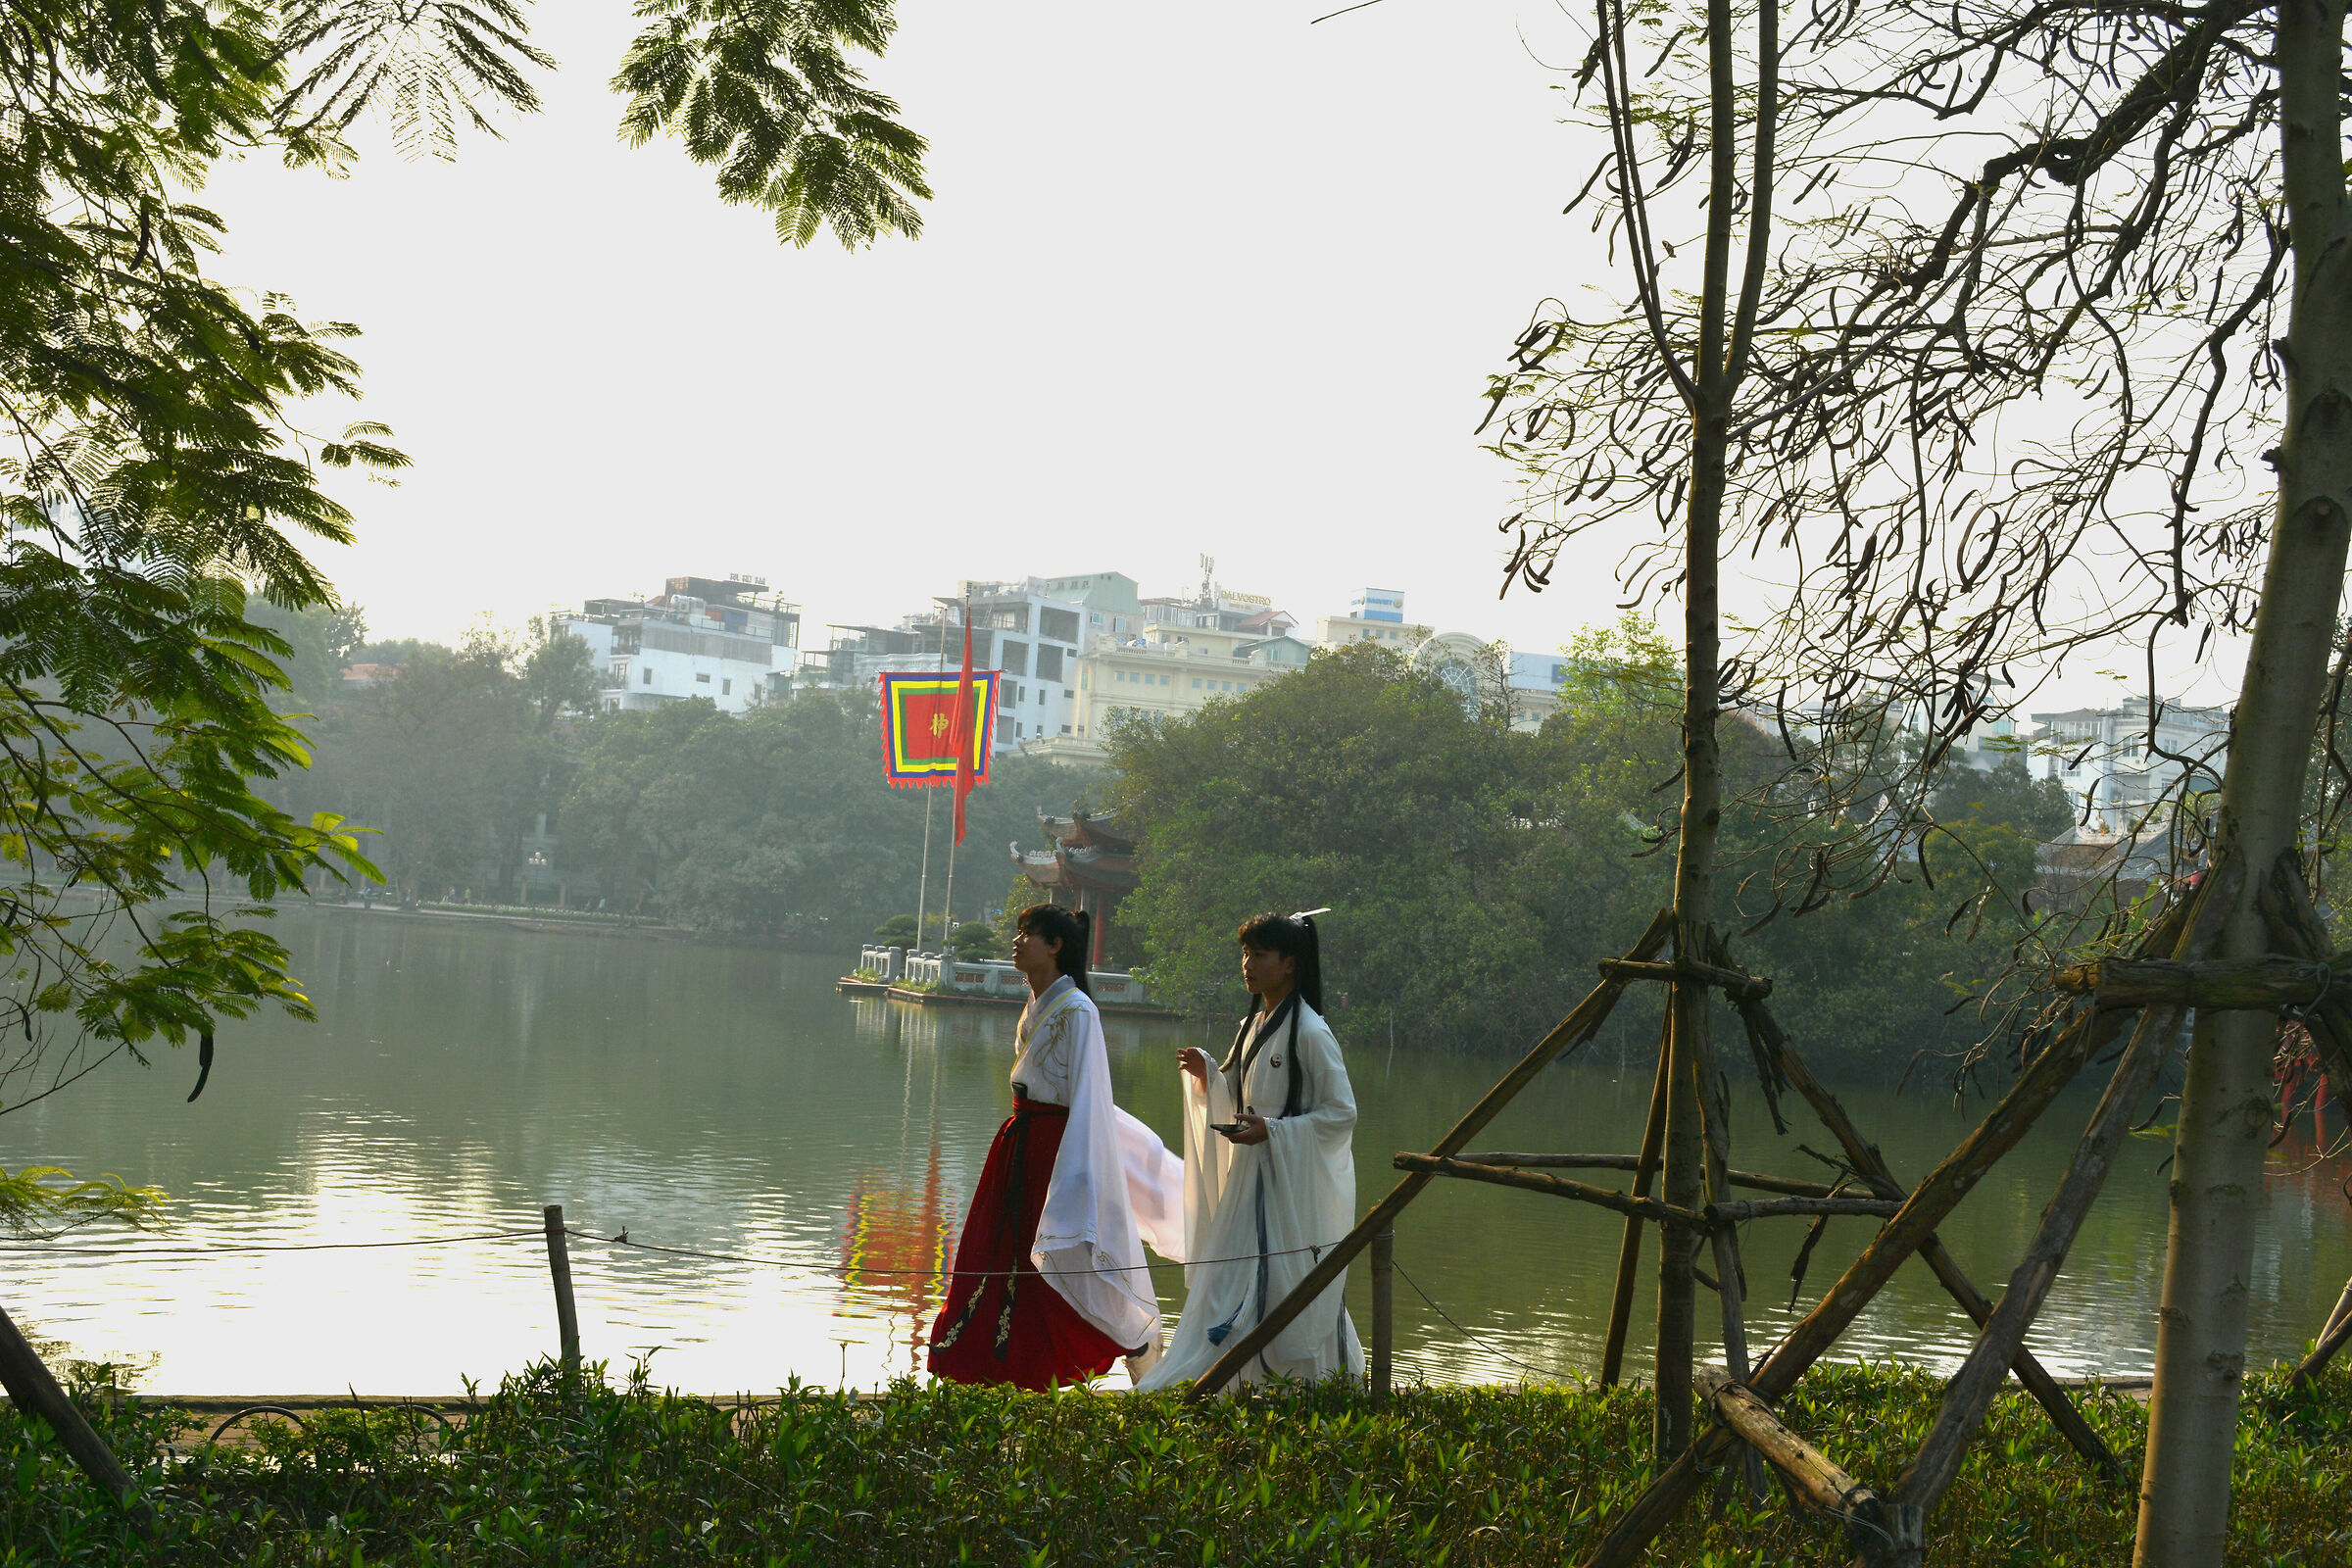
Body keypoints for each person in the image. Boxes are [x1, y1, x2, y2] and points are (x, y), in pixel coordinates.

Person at [928, 904, 1179, 1389]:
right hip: (1020, 1144)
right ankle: (995, 1367)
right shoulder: (1038, 1004)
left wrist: (1080, 1174)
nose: (1017, 941)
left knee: (1058, 1259)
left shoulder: (1079, 1010)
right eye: (1018, 933)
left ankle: (1128, 1342)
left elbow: (1089, 1097)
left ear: (1056, 946)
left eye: (1028, 934)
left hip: (1053, 1151)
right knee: (999, 1254)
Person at [1137, 911, 1363, 1391]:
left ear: (1289, 964)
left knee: (1288, 1276)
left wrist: (1277, 1132)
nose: (1247, 964)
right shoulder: (1253, 1024)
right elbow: (1238, 1093)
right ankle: (1230, 1378)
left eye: (1259, 954)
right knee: (1233, 1279)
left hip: (1286, 1185)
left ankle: (1300, 1379)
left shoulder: (1310, 1031)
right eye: (1245, 954)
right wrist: (1208, 1077)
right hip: (1250, 1177)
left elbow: (1341, 1113)